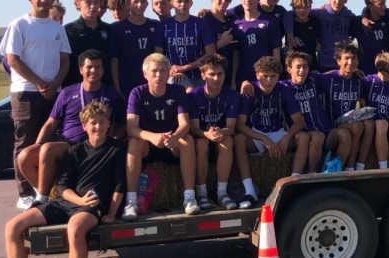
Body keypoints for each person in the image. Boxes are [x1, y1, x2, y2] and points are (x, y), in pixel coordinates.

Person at [0, 100, 126, 258]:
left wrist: (111, 211)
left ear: (109, 124)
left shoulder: (116, 149)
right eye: (93, 123)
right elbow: (63, 187)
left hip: (93, 204)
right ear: (84, 126)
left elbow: (120, 183)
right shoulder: (74, 151)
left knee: (74, 230)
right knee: (13, 226)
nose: (98, 127)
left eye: (103, 122)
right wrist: (78, 200)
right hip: (69, 201)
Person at [17, 49, 125, 207]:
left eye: (97, 67)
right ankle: (47, 195)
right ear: (81, 69)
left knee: (47, 149)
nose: (93, 71)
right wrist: (38, 144)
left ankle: (41, 200)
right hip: (68, 143)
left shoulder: (113, 95)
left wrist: (114, 142)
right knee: (24, 156)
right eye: (89, 67)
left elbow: (123, 125)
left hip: (96, 145)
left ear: (103, 70)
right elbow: (51, 123)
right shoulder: (68, 92)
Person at [4, 0, 71, 210]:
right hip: (26, 93)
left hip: (54, 93)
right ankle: (25, 193)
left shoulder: (57, 28)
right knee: (25, 142)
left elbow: (65, 61)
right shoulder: (19, 24)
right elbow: (13, 59)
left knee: (50, 143)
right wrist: (41, 84)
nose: (43, 0)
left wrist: (55, 84)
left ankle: (48, 189)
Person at [125, 53, 197, 216]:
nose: (158, 75)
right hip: (148, 144)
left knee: (188, 140)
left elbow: (185, 124)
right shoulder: (137, 93)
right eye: (154, 71)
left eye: (162, 71)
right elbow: (131, 128)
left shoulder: (178, 91)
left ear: (168, 72)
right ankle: (130, 201)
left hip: (171, 143)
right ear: (145, 74)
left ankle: (190, 197)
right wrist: (152, 136)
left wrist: (175, 136)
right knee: (133, 143)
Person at [235, 55, 306, 197]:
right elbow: (240, 126)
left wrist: (286, 136)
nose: (269, 80)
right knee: (238, 139)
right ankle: (249, 190)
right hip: (256, 133)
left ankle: (294, 181)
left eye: (273, 76)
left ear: (278, 76)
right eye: (264, 76)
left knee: (303, 137)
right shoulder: (250, 91)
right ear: (257, 75)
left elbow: (299, 122)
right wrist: (264, 139)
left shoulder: (283, 90)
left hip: (277, 132)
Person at [187, 53, 242, 210]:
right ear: (203, 75)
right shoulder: (193, 96)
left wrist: (220, 131)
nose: (216, 79)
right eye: (212, 74)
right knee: (201, 144)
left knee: (228, 141)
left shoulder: (232, 95)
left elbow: (231, 128)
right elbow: (193, 128)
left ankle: (222, 193)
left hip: (220, 138)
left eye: (220, 74)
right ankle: (202, 194)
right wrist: (207, 134)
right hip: (202, 138)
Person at [280, 50, 346, 174]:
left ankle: (339, 170)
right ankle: (312, 174)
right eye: (298, 67)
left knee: (344, 134)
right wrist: (246, 83)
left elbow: (334, 74)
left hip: (324, 130)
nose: (302, 70)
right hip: (302, 135)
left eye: (305, 66)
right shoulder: (283, 87)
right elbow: (262, 83)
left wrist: (353, 72)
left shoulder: (313, 79)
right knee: (317, 136)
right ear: (289, 69)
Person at [320, 43, 372, 171]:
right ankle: (346, 168)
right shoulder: (326, 79)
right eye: (346, 58)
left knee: (366, 125)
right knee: (356, 126)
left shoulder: (359, 80)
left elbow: (363, 103)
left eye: (354, 58)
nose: (350, 61)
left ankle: (357, 166)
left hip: (349, 122)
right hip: (330, 127)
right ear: (338, 61)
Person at [155, 0, 219, 90]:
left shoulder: (200, 23)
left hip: (198, 75)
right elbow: (158, 56)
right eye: (179, 1)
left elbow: (211, 53)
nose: (183, 4)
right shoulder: (164, 25)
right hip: (173, 76)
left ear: (191, 3)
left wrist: (185, 67)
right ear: (171, 4)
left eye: (186, 1)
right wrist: (173, 71)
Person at [288, 0, 354, 70]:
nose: (337, 1)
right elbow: (290, 13)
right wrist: (289, 33)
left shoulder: (349, 16)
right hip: (323, 62)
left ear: (345, 0)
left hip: (342, 62)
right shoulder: (321, 12)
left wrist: (352, 37)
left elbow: (358, 27)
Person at [108, 0, 158, 98]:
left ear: (147, 4)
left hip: (149, 82)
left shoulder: (154, 25)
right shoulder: (117, 28)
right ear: (128, 4)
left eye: (143, 1)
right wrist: (117, 88)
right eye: (136, 2)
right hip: (126, 83)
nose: (139, 5)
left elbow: (159, 55)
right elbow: (114, 60)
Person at [361, 51, 389, 169]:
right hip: (376, 124)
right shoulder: (367, 82)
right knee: (382, 123)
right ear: (382, 72)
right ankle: (383, 167)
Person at [62, 0, 110, 87]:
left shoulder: (108, 29)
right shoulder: (68, 30)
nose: (92, 7)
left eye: (96, 3)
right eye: (88, 3)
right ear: (78, 4)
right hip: (75, 85)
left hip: (104, 86)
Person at [232, 0, 276, 92]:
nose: (247, 0)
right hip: (243, 76)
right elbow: (235, 54)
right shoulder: (235, 24)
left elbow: (276, 50)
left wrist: (275, 74)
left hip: (265, 76)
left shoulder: (269, 22)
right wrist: (233, 80)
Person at [199, 0, 239, 85]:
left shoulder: (231, 21)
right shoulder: (204, 19)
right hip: (209, 75)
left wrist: (234, 80)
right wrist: (219, 44)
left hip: (227, 75)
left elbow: (234, 53)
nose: (223, 1)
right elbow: (197, 52)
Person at [351, 0, 389, 74]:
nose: (384, 6)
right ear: (371, 6)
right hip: (364, 69)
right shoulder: (357, 22)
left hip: (384, 69)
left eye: (384, 3)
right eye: (380, 4)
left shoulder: (388, 21)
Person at [287, 0, 322, 69]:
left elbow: (318, 40)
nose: (302, 10)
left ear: (310, 8)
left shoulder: (315, 23)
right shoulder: (288, 24)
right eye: (299, 7)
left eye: (305, 7)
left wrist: (318, 46)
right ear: (293, 8)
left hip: (311, 64)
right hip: (293, 65)